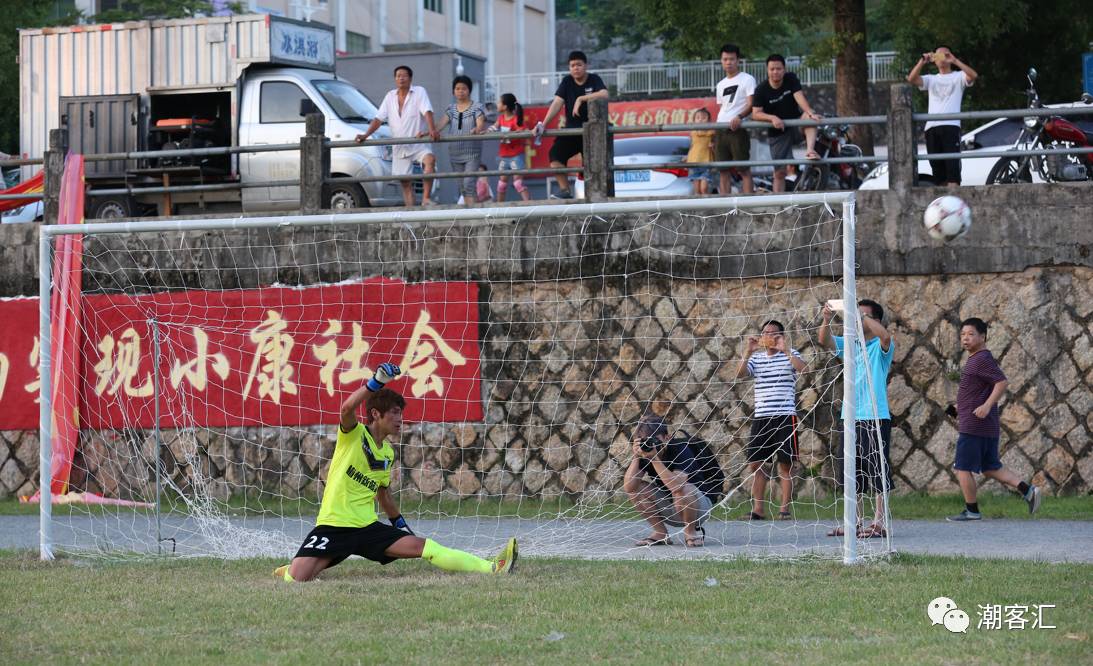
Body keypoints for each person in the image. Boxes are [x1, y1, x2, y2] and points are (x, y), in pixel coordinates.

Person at [273, 363, 517, 581]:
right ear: (376, 415)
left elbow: (383, 494)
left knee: (427, 547)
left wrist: (399, 524)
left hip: (368, 528)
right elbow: (347, 408)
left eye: (401, 413)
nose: (400, 419)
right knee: (298, 578)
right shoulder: (354, 435)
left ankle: (492, 567)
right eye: (394, 413)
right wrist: (375, 382)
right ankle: (290, 569)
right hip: (333, 526)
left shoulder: (387, 453)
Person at [946, 318, 1041, 521]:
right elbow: (977, 390)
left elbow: (1001, 382)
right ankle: (1027, 490)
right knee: (990, 467)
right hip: (983, 425)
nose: (965, 338)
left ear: (983, 336)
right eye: (963, 334)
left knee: (962, 468)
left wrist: (987, 406)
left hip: (975, 425)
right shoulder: (976, 359)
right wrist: (958, 407)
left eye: (971, 334)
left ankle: (972, 511)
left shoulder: (981, 358)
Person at [818, 299, 894, 539]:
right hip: (849, 417)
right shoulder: (850, 345)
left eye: (864, 316)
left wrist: (860, 317)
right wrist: (827, 319)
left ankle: (879, 522)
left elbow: (886, 337)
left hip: (875, 416)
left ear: (875, 321)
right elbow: (825, 340)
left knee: (878, 471)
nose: (857, 320)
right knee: (851, 471)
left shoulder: (880, 348)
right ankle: (856, 520)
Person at [736, 320, 807, 520]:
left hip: (785, 416)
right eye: (765, 332)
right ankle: (758, 509)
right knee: (756, 463)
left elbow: (804, 369)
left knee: (785, 464)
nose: (769, 336)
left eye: (774, 333)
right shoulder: (757, 358)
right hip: (761, 417)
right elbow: (739, 374)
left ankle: (784, 509)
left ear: (781, 336)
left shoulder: (791, 354)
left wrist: (785, 350)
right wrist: (748, 352)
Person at [623, 417, 720, 548]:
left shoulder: (681, 449)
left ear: (667, 438)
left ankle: (690, 532)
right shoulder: (645, 453)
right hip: (672, 506)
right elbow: (629, 487)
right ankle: (660, 533)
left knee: (683, 489)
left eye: (655, 439)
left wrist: (654, 459)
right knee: (637, 488)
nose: (651, 444)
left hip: (698, 508)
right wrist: (636, 456)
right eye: (646, 440)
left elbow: (676, 486)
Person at [355, 65, 440, 207]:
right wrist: (365, 135)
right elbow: (378, 119)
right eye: (398, 75)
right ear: (395, 79)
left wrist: (432, 130)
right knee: (405, 183)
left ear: (410, 78)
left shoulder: (419, 92)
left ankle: (426, 199)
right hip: (399, 145)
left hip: (418, 142)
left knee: (430, 160)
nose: (401, 78)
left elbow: (427, 111)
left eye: (404, 75)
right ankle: (411, 213)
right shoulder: (390, 96)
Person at [533, 50, 608, 199]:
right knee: (555, 156)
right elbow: (556, 104)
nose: (576, 68)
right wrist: (543, 124)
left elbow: (604, 94)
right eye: (572, 65)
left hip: (592, 132)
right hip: (571, 131)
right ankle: (565, 191)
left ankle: (595, 197)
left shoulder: (594, 79)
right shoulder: (567, 82)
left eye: (579, 65)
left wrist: (581, 98)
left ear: (585, 66)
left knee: (592, 167)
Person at [750, 54, 823, 193]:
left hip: (796, 125)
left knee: (809, 116)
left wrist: (809, 111)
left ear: (784, 69)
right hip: (777, 132)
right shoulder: (761, 89)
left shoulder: (791, 79)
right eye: (772, 69)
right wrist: (772, 118)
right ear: (767, 70)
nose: (775, 72)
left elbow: (799, 96)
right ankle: (779, 205)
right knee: (779, 173)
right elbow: (755, 113)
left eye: (778, 68)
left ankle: (810, 150)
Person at [906, 47, 978, 187]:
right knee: (938, 173)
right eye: (938, 54)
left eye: (945, 54)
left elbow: (973, 76)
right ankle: (943, 204)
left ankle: (953, 202)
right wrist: (922, 61)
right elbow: (912, 79)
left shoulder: (959, 76)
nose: (942, 57)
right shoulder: (931, 79)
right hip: (932, 128)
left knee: (953, 172)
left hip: (951, 127)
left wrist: (955, 60)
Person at [435, 75, 487, 205]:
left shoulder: (477, 106)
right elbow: (441, 124)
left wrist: (477, 129)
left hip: (472, 153)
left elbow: (481, 123)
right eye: (457, 88)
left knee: (468, 183)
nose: (460, 91)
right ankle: (474, 213)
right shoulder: (451, 109)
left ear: (469, 90)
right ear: (453, 91)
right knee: (462, 187)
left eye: (463, 88)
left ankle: (473, 215)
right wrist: (430, 131)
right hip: (455, 153)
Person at [714, 44, 756, 195]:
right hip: (720, 129)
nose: (728, 62)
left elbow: (752, 104)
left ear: (738, 60)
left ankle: (748, 203)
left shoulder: (747, 79)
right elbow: (722, 108)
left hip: (738, 129)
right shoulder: (720, 84)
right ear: (721, 61)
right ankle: (724, 205)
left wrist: (739, 117)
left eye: (731, 59)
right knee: (723, 171)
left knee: (743, 169)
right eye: (725, 59)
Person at [490, 92, 531, 202]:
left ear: (505, 106)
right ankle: (499, 209)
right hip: (504, 156)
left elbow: (524, 131)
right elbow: (494, 127)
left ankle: (529, 206)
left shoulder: (516, 119)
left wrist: (514, 135)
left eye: (499, 102)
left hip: (516, 155)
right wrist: (484, 131)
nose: (497, 104)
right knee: (501, 184)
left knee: (518, 183)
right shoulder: (501, 118)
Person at [685, 108, 716, 195]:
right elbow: (692, 146)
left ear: (709, 120)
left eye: (703, 118)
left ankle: (707, 206)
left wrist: (713, 145)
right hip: (694, 162)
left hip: (706, 162)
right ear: (694, 120)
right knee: (697, 190)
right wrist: (687, 158)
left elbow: (715, 146)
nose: (700, 120)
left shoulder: (712, 133)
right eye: (698, 118)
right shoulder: (693, 132)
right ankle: (698, 208)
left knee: (704, 189)